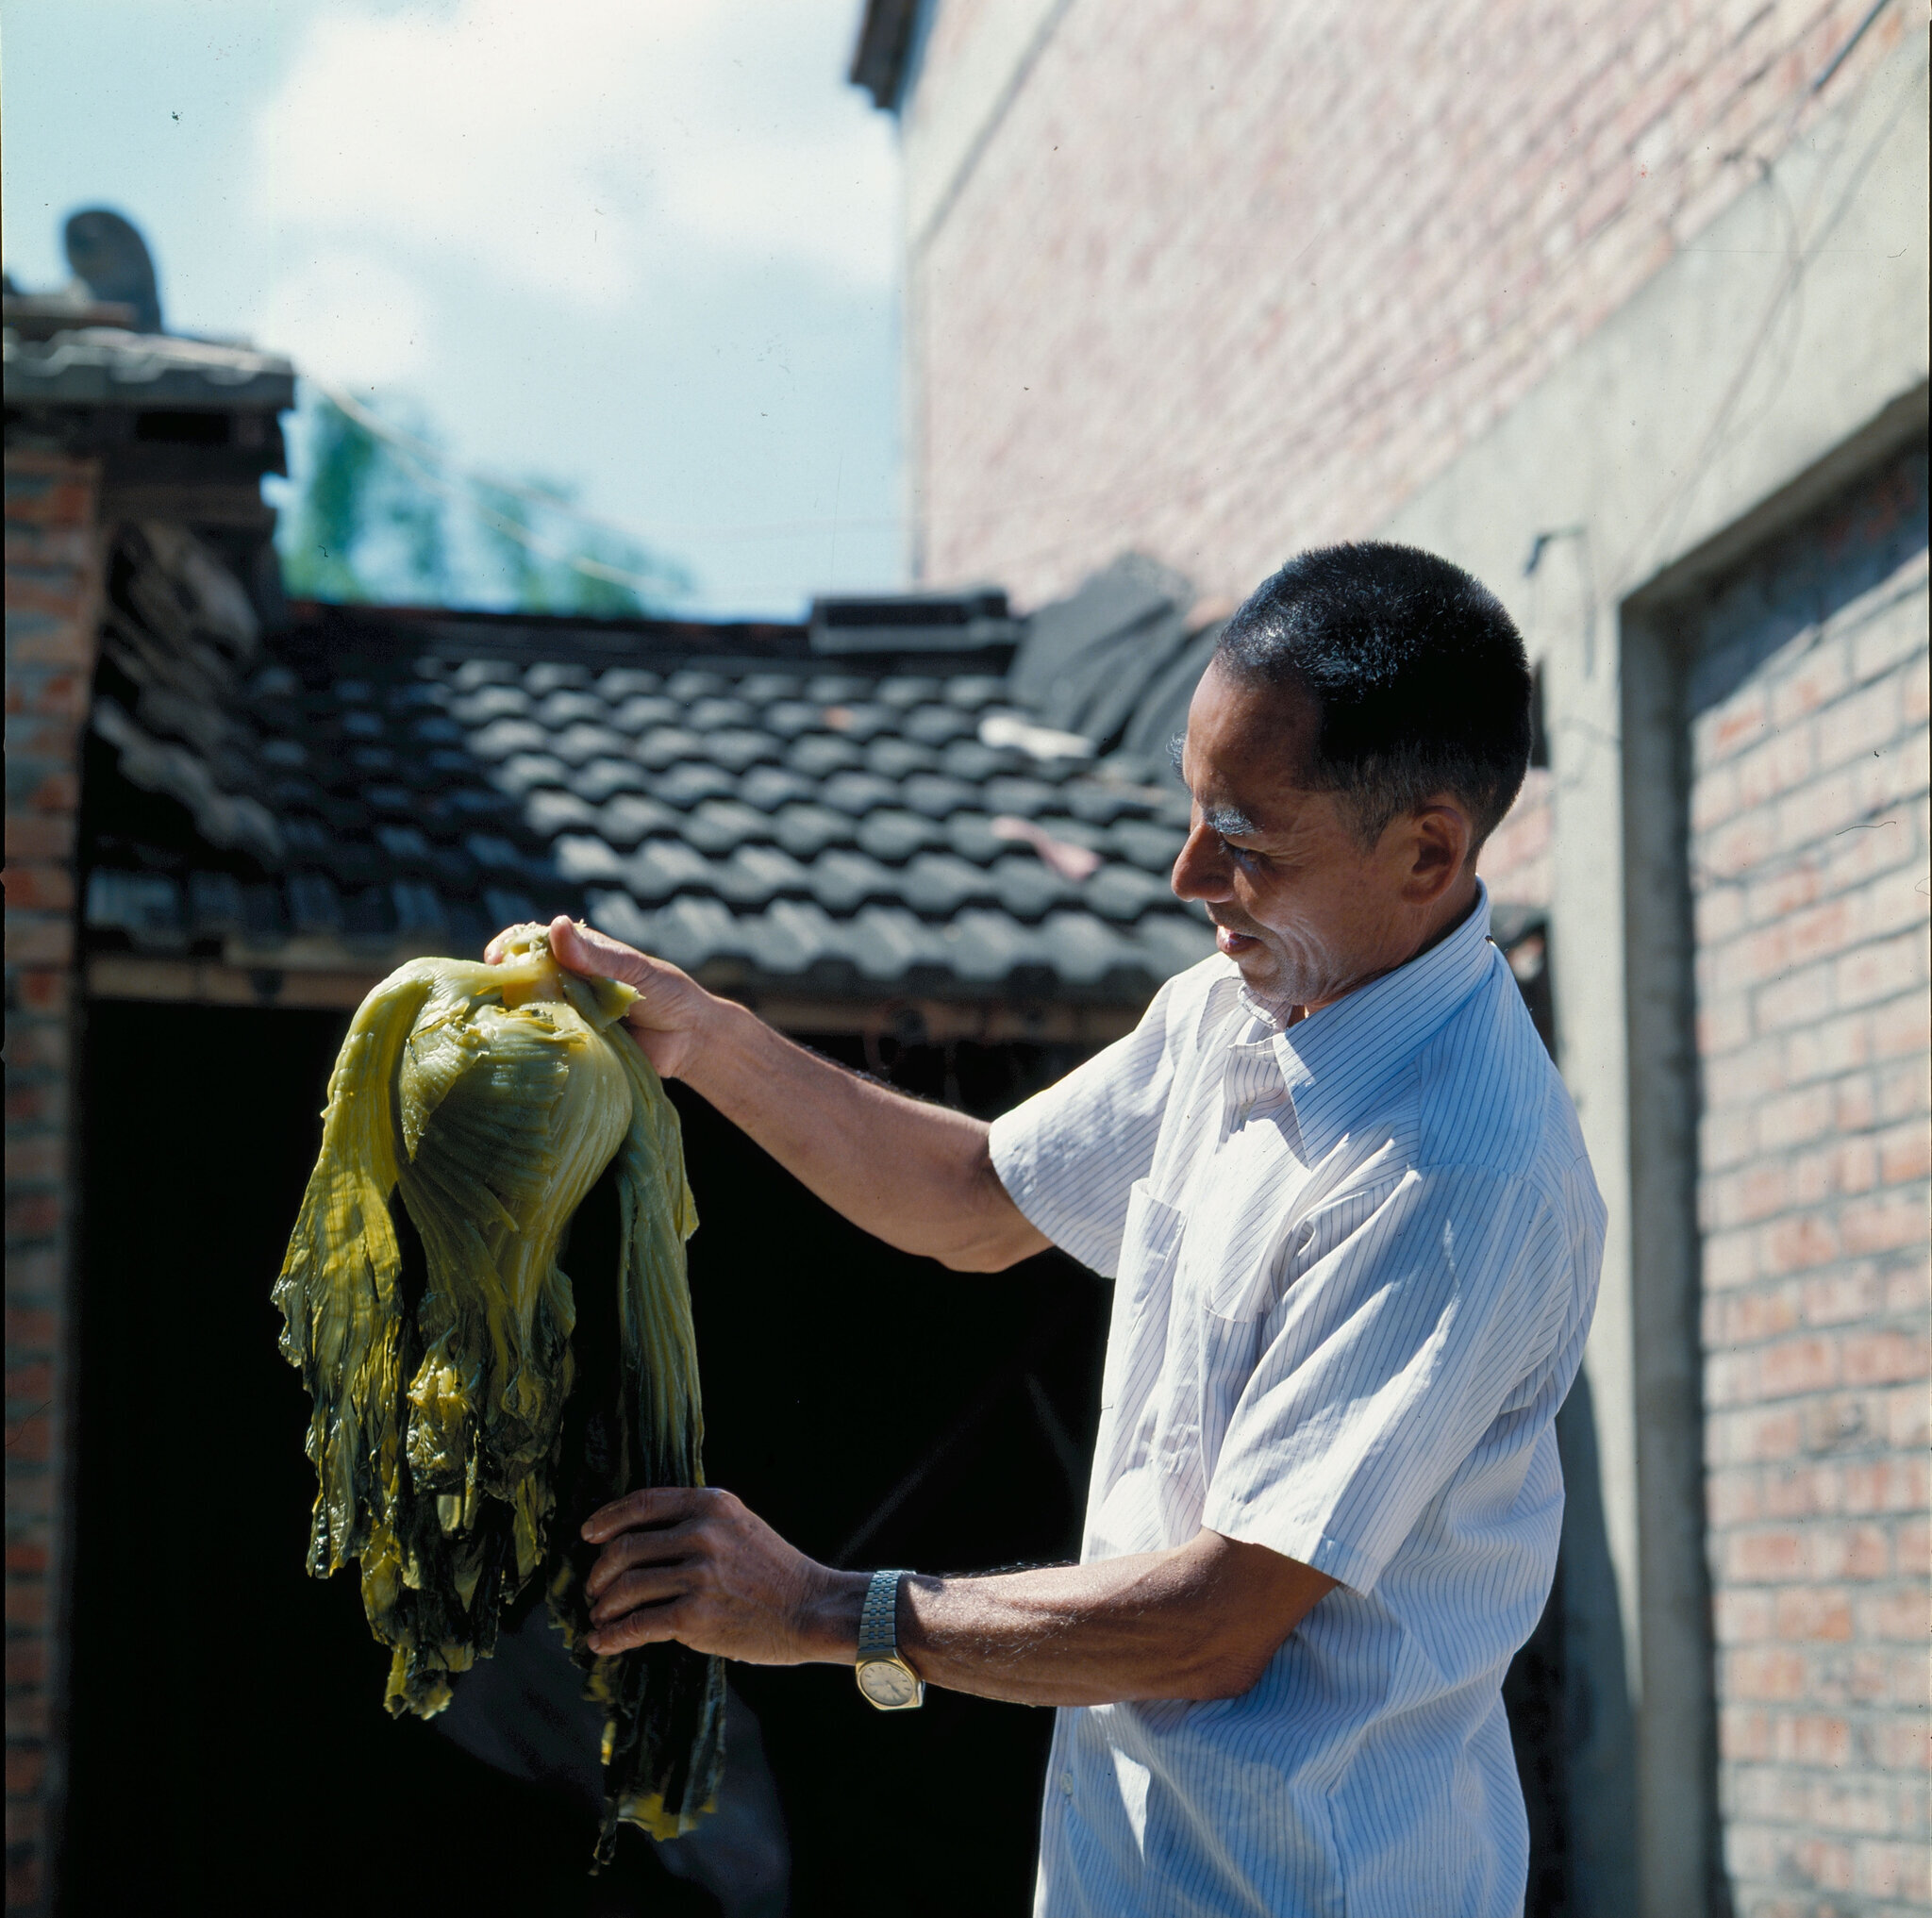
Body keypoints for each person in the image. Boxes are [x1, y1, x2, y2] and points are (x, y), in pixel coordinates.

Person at [501, 541, 1606, 1918]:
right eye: (1193, 808)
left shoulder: (1461, 1171)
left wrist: (820, 1612)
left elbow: (1215, 1625)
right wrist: (707, 1040)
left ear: (1428, 849)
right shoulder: (1228, 1013)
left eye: (1246, 839)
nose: (1187, 872)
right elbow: (973, 1200)